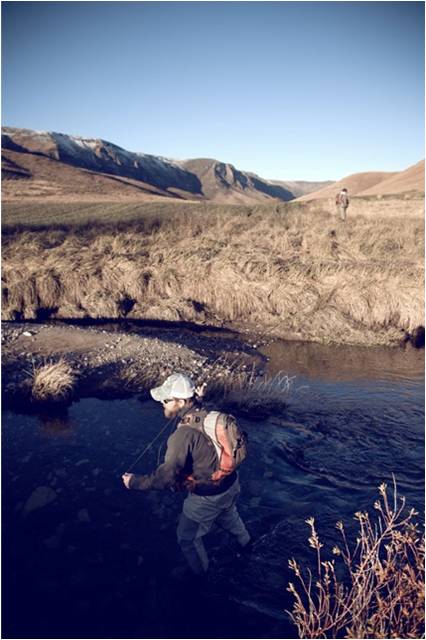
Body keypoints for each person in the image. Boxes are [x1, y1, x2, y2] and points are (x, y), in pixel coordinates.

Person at [122, 372, 251, 577]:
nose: (162, 404)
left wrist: (134, 482)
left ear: (181, 401)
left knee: (186, 539)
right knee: (228, 513)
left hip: (207, 496)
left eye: (166, 400)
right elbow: (196, 407)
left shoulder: (181, 436)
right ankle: (247, 545)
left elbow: (166, 477)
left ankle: (202, 579)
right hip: (231, 484)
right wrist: (198, 397)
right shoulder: (202, 411)